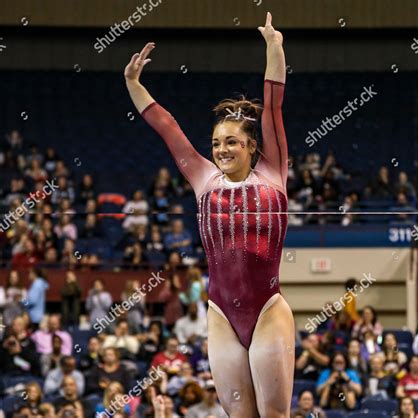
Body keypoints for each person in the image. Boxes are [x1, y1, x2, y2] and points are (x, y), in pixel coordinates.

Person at [126, 12, 294, 416]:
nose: (221, 149)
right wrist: (133, 84)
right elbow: (167, 128)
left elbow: (272, 106)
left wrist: (274, 47)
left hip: (268, 308)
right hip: (221, 314)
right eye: (217, 142)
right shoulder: (204, 179)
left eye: (232, 142)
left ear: (252, 146)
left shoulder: (273, 174)